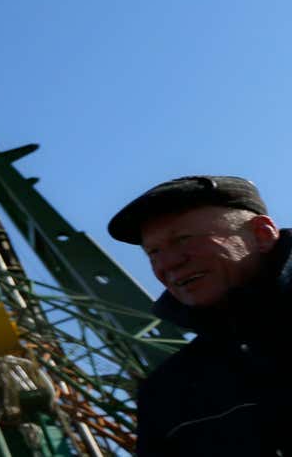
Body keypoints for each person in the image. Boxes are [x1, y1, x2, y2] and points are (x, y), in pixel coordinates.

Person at [106, 174, 292, 455]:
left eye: (183, 239)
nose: (169, 263)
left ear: (262, 234)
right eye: (153, 252)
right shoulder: (168, 393)